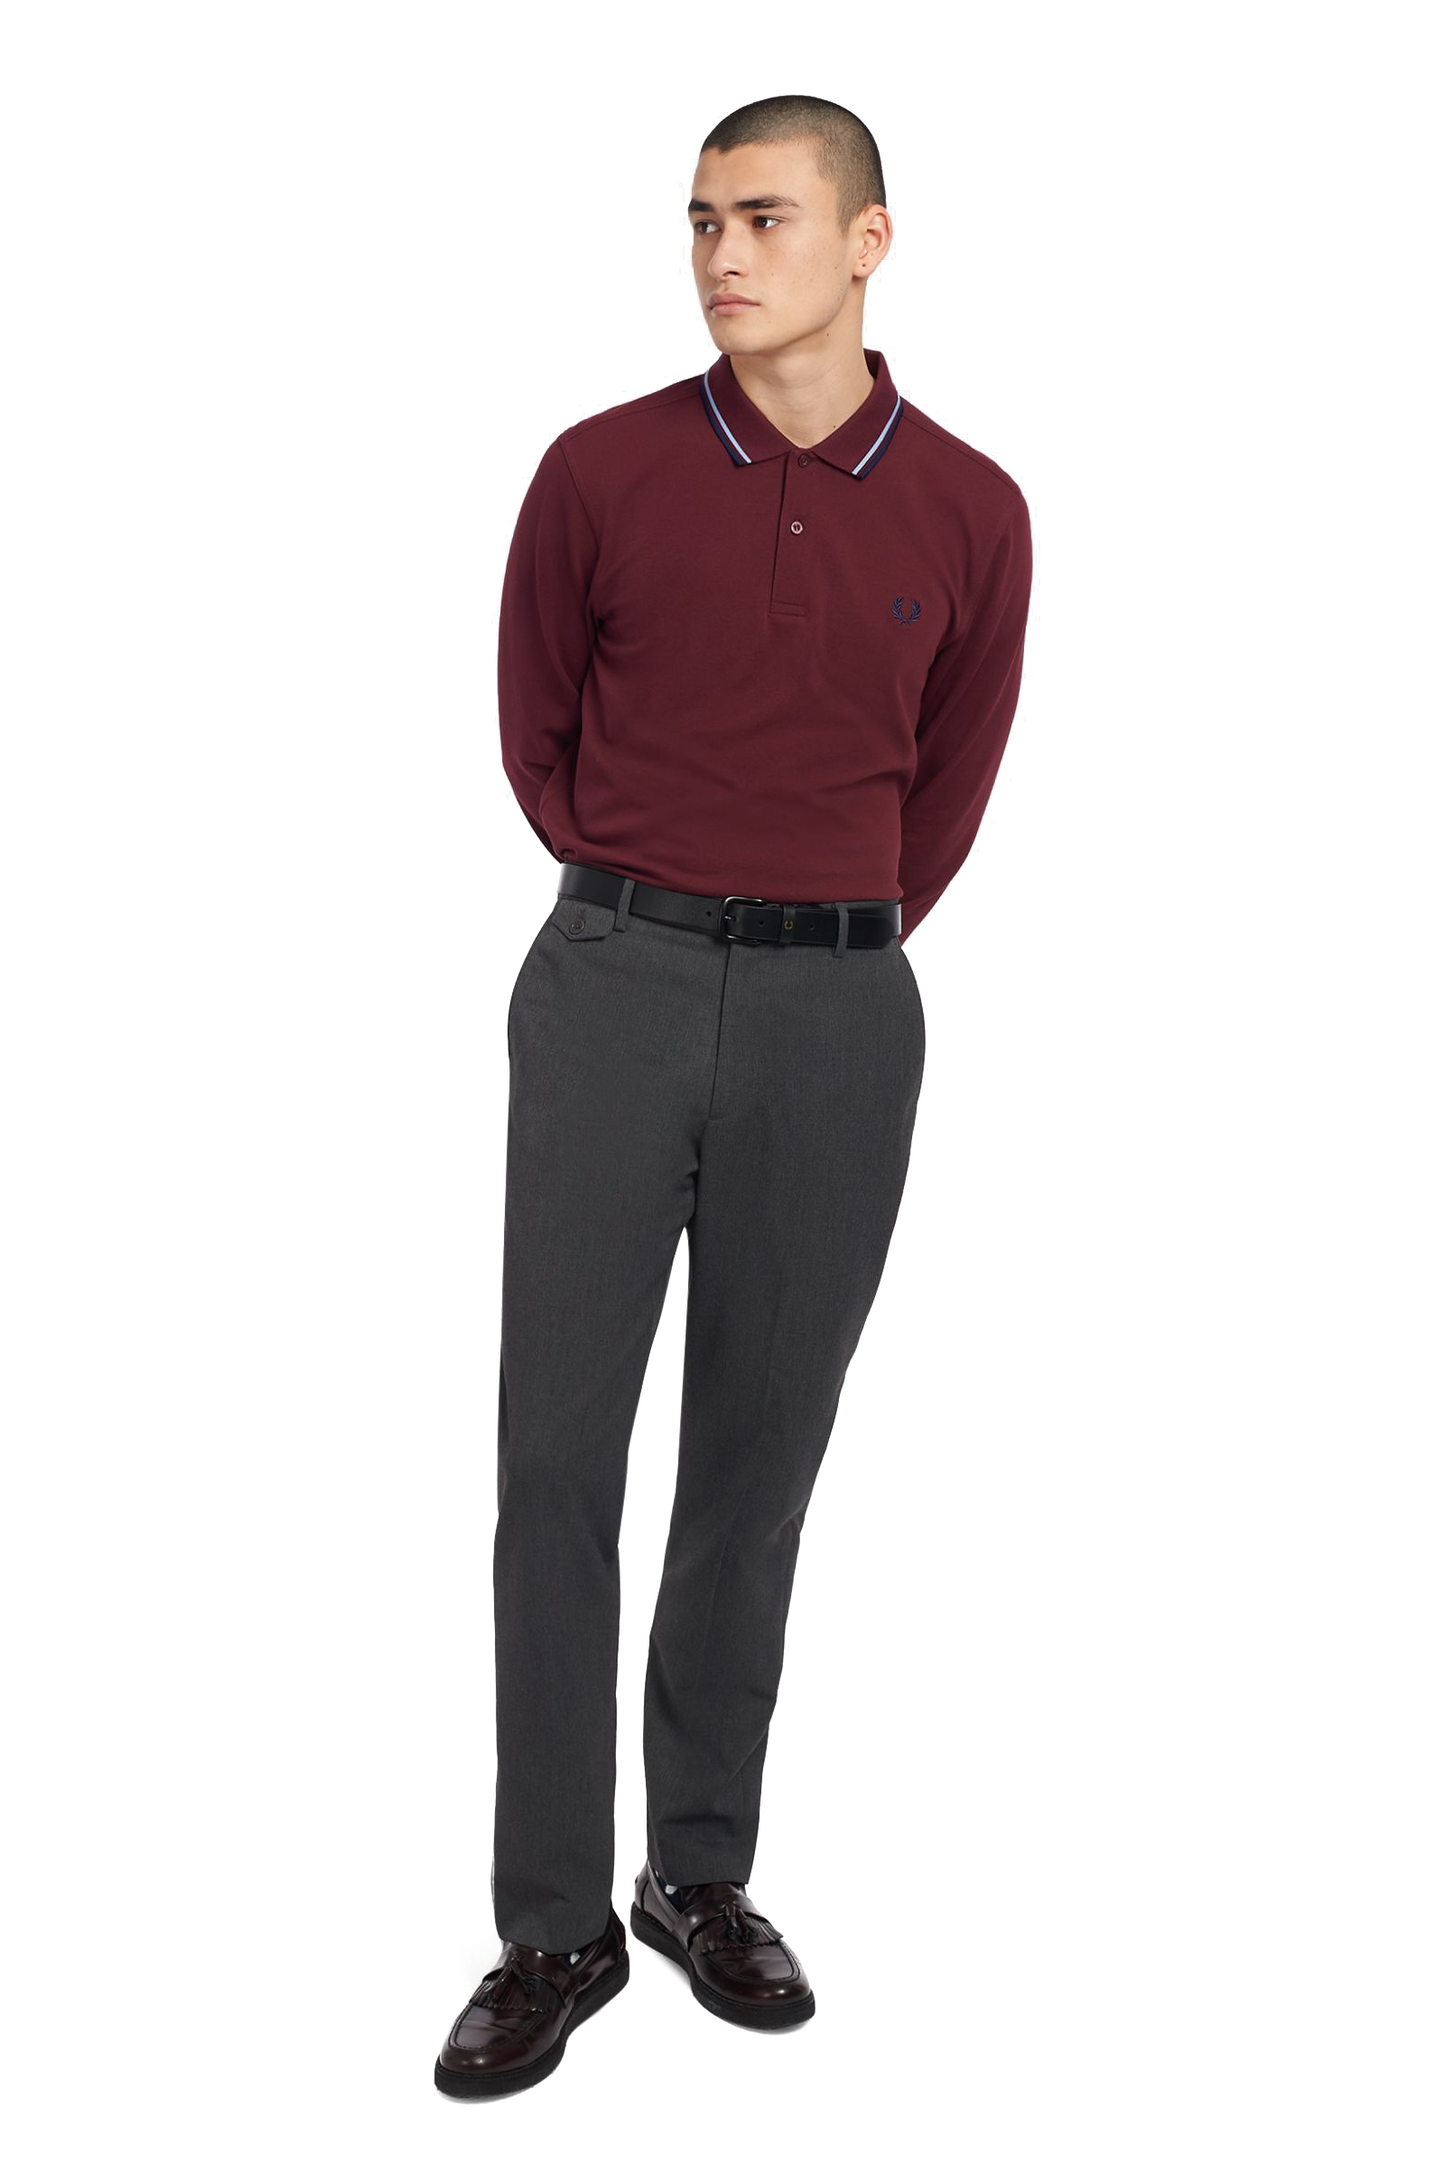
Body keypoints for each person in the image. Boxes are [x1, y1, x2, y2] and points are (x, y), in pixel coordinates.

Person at [435, 92, 1033, 2099]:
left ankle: (696, 1872)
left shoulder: (972, 508)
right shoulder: (598, 470)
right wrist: (662, 901)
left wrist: (810, 937)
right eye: (698, 220)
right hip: (612, 974)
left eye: (762, 217)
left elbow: (943, 787)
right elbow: (537, 733)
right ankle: (548, 1920)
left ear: (869, 240)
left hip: (839, 1010)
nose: (718, 254)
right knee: (553, 1463)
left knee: (756, 1462)